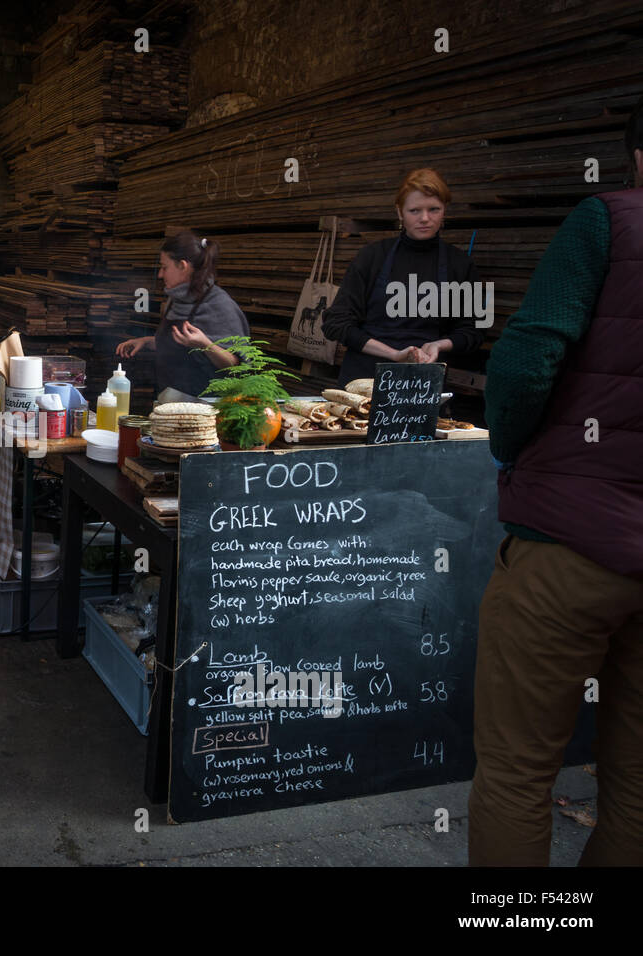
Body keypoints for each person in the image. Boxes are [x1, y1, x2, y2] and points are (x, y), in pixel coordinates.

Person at [468, 96, 643, 866]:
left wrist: (513, 448)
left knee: (516, 772)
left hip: (571, 542)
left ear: (638, 156)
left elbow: (523, 360)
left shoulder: (609, 219)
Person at [321, 168, 485, 382]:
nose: (425, 218)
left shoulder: (463, 264)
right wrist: (393, 355)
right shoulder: (370, 256)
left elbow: (478, 330)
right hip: (364, 380)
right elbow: (335, 323)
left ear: (445, 210)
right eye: (414, 211)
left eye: (433, 209)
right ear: (399, 212)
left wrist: (438, 345)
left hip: (424, 383)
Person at [115, 231, 247, 399]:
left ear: (183, 266)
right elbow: (180, 345)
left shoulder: (220, 305)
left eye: (165, 267)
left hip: (204, 410)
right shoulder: (175, 300)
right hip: (169, 401)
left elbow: (235, 364)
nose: (160, 274)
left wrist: (205, 344)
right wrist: (147, 342)